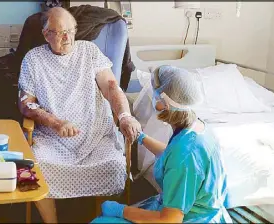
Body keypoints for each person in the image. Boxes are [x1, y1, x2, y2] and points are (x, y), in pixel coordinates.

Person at [17, 7, 141, 223]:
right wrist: (55, 122)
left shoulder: (89, 51)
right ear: (47, 34)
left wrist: (124, 116)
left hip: (95, 134)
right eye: (60, 32)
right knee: (35, 168)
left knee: (114, 165)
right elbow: (26, 104)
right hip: (52, 139)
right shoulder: (33, 59)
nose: (68, 38)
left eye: (71, 31)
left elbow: (111, 86)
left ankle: (98, 219)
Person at [92, 66, 232, 223]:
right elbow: (170, 154)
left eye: (155, 96)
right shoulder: (197, 128)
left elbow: (169, 220)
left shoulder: (185, 154)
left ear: (164, 104)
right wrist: (141, 137)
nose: (153, 99)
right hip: (202, 212)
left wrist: (120, 210)